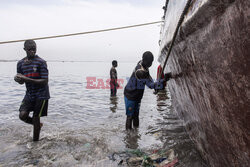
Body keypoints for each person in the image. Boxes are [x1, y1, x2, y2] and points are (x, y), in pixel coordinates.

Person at [14, 40, 50, 141]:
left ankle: (35, 143)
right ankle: (38, 125)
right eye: (30, 50)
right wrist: (18, 79)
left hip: (42, 94)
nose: (32, 52)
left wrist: (26, 79)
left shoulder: (41, 62)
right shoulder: (20, 63)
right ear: (25, 49)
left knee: (35, 117)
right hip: (29, 94)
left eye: (34, 49)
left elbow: (45, 81)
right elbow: (21, 81)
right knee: (22, 115)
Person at [124, 51, 164, 130]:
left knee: (136, 115)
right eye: (150, 62)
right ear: (145, 60)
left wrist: (157, 84)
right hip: (130, 95)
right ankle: (128, 136)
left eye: (152, 62)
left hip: (138, 96)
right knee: (130, 116)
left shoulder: (143, 65)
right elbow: (150, 85)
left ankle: (136, 134)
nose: (151, 64)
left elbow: (149, 78)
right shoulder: (140, 72)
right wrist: (163, 80)